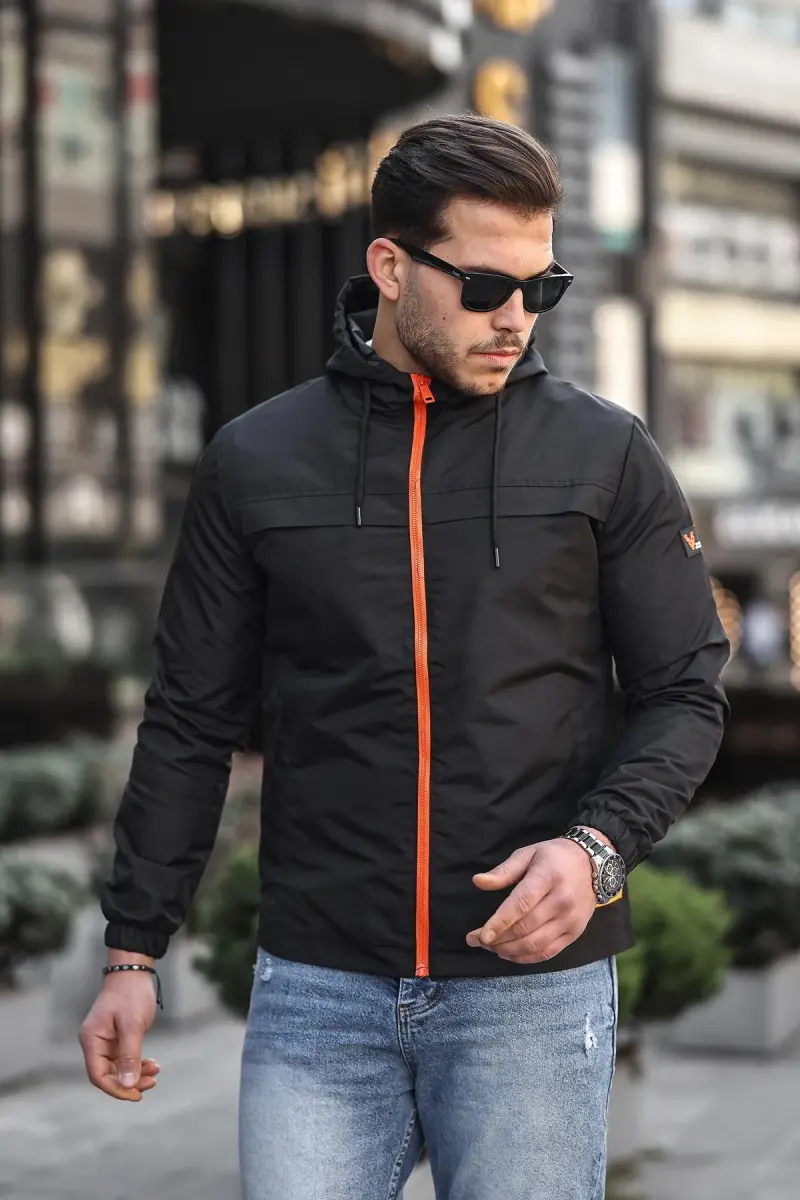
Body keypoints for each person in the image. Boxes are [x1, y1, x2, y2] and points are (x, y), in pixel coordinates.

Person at [79, 114, 729, 1200]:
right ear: (389, 266)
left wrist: (596, 851)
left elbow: (683, 694)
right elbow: (190, 719)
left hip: (529, 993)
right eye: (484, 286)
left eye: (540, 287)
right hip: (319, 987)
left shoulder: (604, 454)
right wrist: (131, 952)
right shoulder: (256, 462)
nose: (514, 318)